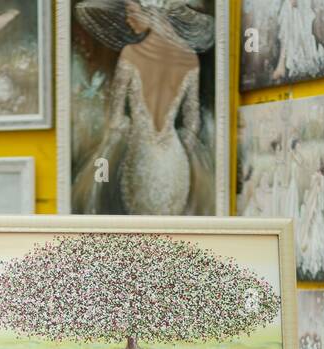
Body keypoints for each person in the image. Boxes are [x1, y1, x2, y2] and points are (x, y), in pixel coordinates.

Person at [71, 0, 217, 216]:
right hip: (174, 160)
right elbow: (192, 120)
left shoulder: (131, 54)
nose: (129, 21)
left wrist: (123, 129)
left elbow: (115, 116)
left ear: (151, 14)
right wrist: (183, 147)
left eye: (132, 12)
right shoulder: (189, 58)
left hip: (139, 154)